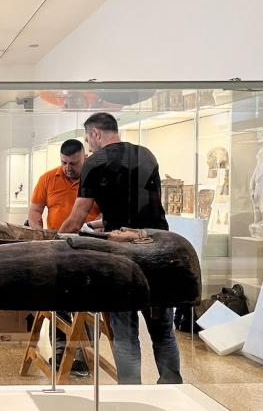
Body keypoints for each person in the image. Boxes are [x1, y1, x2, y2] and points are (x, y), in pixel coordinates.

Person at [58, 112, 181, 385]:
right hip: (157, 249)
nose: (89, 146)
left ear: (96, 133)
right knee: (163, 332)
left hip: (124, 256)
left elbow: (76, 219)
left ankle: (131, 392)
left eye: (88, 139)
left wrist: (54, 239)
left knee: (125, 334)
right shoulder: (146, 155)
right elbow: (141, 211)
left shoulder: (95, 163)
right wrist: (103, 224)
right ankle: (172, 389)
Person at [28, 139, 100, 377]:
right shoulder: (48, 179)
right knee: (58, 302)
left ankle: (84, 357)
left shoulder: (95, 180)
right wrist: (38, 233)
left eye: (74, 163)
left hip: (88, 250)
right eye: (64, 162)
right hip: (56, 250)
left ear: (84, 158)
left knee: (87, 305)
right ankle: (59, 351)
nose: (68, 168)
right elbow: (35, 210)